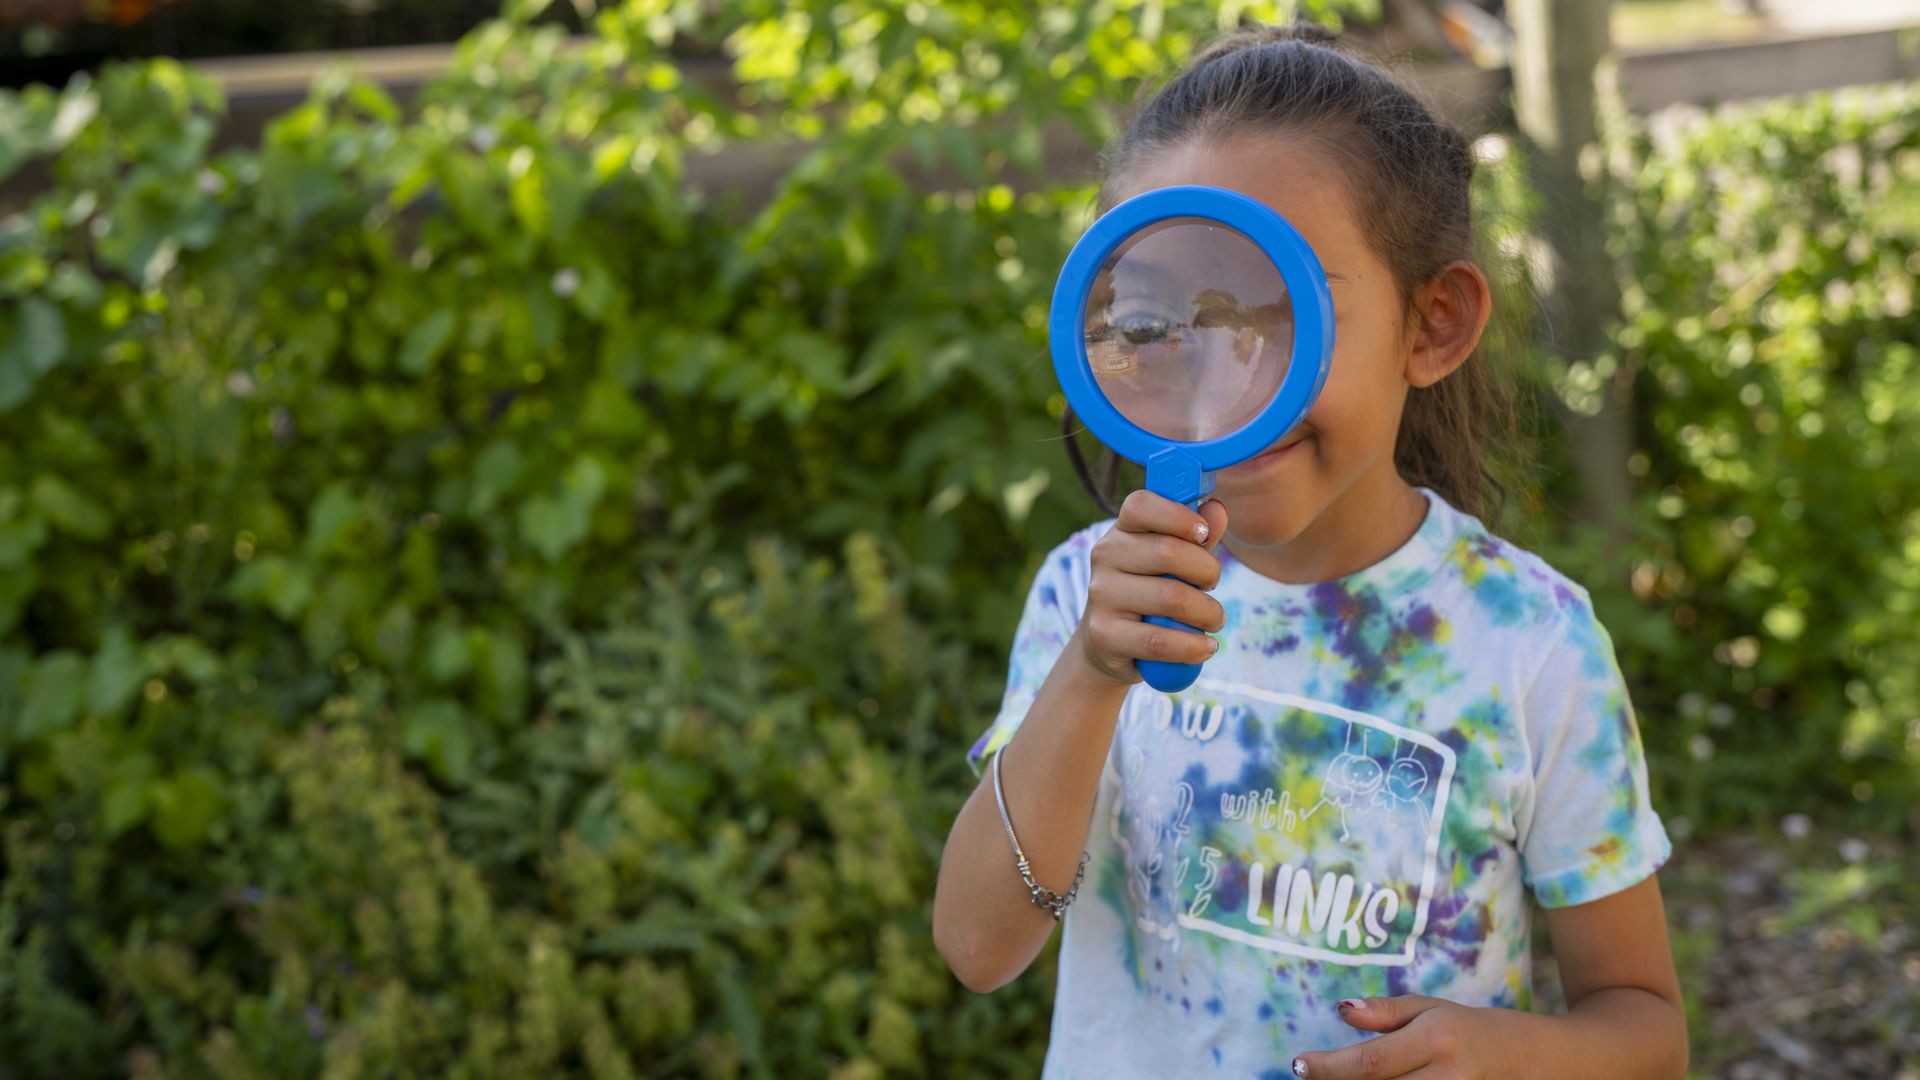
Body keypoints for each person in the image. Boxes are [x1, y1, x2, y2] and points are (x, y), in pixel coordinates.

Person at [931, 22, 1688, 1080]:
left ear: (1433, 325)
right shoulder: (1085, 601)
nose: (1220, 382)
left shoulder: (1531, 644)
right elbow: (977, 948)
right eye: (1155, 324)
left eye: (1281, 311)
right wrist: (1094, 675)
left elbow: (1645, 1028)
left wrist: (1504, 1055)